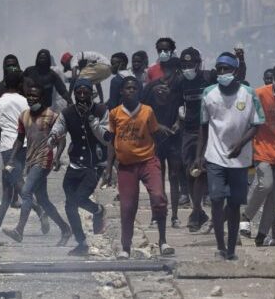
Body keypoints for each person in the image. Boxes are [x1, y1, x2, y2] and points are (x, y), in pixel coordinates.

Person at [195, 53, 264, 261]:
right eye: (219, 69)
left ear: (235, 71)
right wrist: (199, 155)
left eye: (226, 69)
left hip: (240, 159)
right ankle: (220, 246)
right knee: (216, 200)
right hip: (215, 156)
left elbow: (257, 124)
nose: (222, 73)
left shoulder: (248, 93)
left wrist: (241, 144)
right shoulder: (209, 93)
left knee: (234, 205)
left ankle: (232, 248)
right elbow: (204, 127)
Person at [103, 76, 174, 259]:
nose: (131, 91)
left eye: (135, 88)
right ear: (122, 91)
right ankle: (126, 247)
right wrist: (109, 167)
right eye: (128, 88)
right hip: (126, 166)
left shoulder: (147, 111)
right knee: (127, 207)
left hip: (148, 161)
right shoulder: (115, 113)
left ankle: (163, 240)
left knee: (158, 197)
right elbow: (111, 141)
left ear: (139, 91)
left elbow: (156, 134)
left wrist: (158, 157)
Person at [2, 84, 73, 247]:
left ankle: (19, 230)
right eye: (29, 96)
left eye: (35, 96)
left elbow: (61, 139)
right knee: (43, 200)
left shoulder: (52, 115)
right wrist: (12, 158)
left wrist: (57, 157)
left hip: (44, 159)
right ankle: (65, 229)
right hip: (31, 160)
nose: (31, 99)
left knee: (26, 192)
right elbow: (20, 139)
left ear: (41, 98)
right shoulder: (24, 116)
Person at [49, 78, 108, 256]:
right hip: (75, 164)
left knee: (80, 198)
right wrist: (53, 138)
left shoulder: (101, 110)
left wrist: (91, 120)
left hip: (94, 165)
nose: (82, 97)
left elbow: (106, 137)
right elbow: (58, 129)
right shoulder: (67, 112)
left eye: (85, 93)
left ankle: (98, 211)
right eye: (78, 93)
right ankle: (81, 243)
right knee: (69, 205)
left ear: (92, 94)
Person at [240, 64, 275, 246]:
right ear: (272, 81)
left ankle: (262, 234)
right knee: (265, 185)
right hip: (263, 149)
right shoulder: (260, 94)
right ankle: (246, 215)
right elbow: (246, 117)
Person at [0, 71, 48, 235]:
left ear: (4, 84)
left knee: (15, 183)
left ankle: (39, 209)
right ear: (21, 85)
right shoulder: (25, 101)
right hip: (25, 144)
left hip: (9, 147)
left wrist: (1, 130)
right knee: (8, 185)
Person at [141, 60, 183, 228]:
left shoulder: (179, 87)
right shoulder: (150, 88)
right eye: (168, 70)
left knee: (174, 176)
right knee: (157, 178)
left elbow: (184, 107)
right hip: (156, 139)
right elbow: (143, 112)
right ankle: (156, 215)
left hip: (174, 138)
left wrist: (178, 124)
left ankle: (174, 215)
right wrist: (159, 126)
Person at [178, 47, 212, 231]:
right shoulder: (181, 82)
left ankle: (198, 211)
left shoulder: (209, 78)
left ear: (198, 64)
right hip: (189, 131)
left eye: (190, 65)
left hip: (208, 131)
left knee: (202, 169)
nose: (187, 68)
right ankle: (197, 210)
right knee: (190, 171)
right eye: (184, 65)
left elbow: (237, 78)